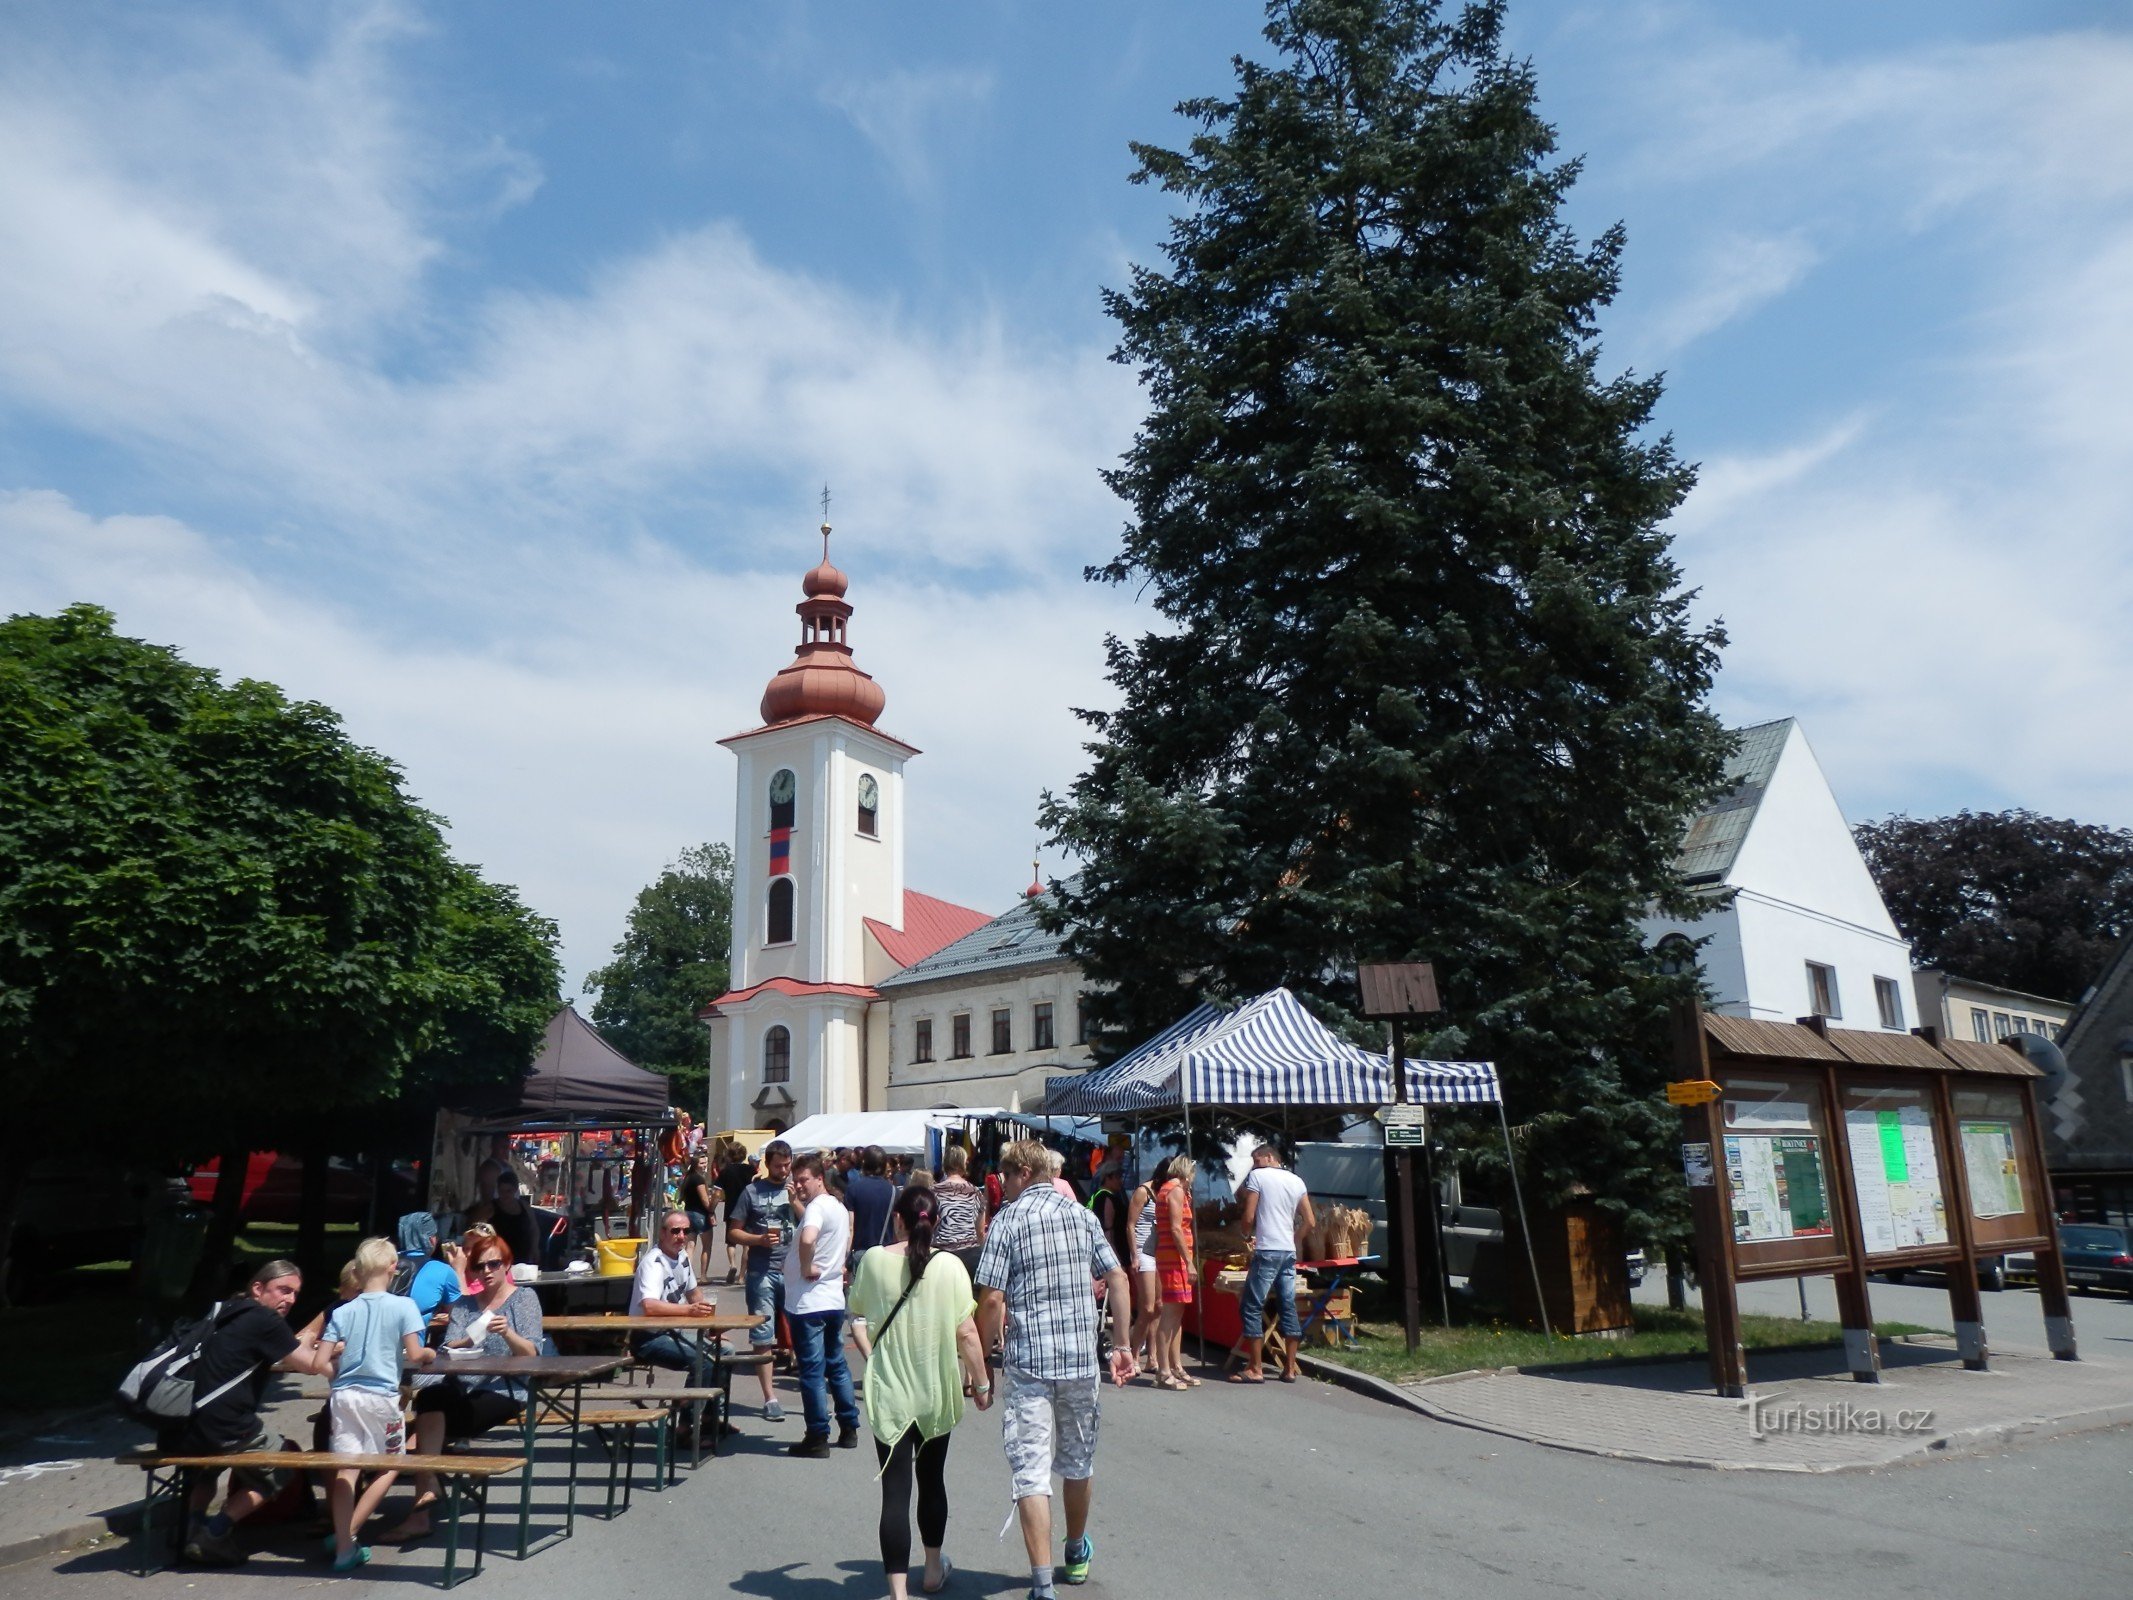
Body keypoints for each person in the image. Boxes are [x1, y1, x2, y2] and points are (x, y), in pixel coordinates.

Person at [974, 1140, 1135, 1600]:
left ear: (1023, 1172)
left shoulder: (1008, 1221)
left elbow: (991, 1298)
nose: (1001, 1185)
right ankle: (1076, 1550)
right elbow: (1118, 1278)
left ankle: (1042, 1584)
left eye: (1005, 1175)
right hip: (1081, 1362)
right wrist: (1121, 1344)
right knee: (1077, 1461)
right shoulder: (1082, 1215)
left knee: (1031, 1471)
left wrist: (983, 1359)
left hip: (1029, 1366)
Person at [850, 1186, 991, 1600]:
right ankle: (931, 1570)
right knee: (932, 1481)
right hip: (935, 1392)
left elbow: (858, 1314)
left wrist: (872, 1350)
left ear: (898, 1219)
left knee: (895, 1492)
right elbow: (966, 1333)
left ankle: (898, 1593)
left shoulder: (873, 1261)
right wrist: (981, 1384)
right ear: (937, 1223)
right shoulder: (950, 1266)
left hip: (891, 1391)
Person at [162, 1259, 332, 1565]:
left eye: (295, 1293)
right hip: (225, 1425)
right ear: (258, 1287)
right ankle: (213, 1534)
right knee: (283, 1467)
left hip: (184, 1421)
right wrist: (335, 1353)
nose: (290, 1299)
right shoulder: (264, 1320)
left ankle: (191, 1527)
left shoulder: (226, 1310)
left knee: (206, 1468)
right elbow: (309, 1364)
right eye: (283, 1290)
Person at [386, 1231, 543, 1543]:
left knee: (433, 1410)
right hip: (461, 1386)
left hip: (505, 1389)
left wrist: (508, 1333)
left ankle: (422, 1505)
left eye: (493, 1264)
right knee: (431, 1396)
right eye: (478, 1266)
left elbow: (532, 1354)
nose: (486, 1271)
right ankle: (426, 1494)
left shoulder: (524, 1299)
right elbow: (447, 1349)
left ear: (506, 1264)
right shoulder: (464, 1305)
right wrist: (470, 1338)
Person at [321, 1237, 432, 1571]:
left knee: (346, 1469)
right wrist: (429, 1353)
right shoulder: (404, 1307)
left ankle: (343, 1544)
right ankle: (349, 1534)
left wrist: (336, 1372)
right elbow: (414, 1354)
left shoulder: (342, 1310)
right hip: (381, 1396)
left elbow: (318, 1361)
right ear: (393, 1267)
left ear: (357, 1269)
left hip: (343, 1397)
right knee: (391, 1464)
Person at [782, 1152, 860, 1457]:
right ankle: (849, 1426)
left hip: (810, 1302)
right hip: (830, 1299)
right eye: (796, 1180)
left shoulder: (817, 1207)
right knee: (836, 1363)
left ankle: (817, 1435)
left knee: (813, 1369)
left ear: (819, 1178)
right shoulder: (837, 1207)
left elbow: (808, 1238)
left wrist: (805, 1266)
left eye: (804, 1180)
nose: (799, 1185)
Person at [1232, 1143, 1315, 1384]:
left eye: (1256, 1159)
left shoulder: (1258, 1177)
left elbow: (1249, 1215)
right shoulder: (1296, 1180)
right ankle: (1289, 1368)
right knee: (1287, 1305)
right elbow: (1309, 1220)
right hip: (1287, 1251)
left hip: (1267, 1248)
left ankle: (1255, 1368)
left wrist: (1246, 1234)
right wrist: (1295, 1238)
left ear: (1269, 1157)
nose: (1254, 1165)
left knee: (1251, 1305)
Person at [631, 1209, 720, 1425]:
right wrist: (690, 1311)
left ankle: (710, 1419)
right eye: (675, 1231)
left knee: (723, 1352)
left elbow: (693, 1294)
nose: (681, 1236)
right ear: (662, 1233)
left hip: (672, 1331)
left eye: (686, 1231)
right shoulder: (654, 1263)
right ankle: (686, 1425)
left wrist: (711, 1326)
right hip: (648, 1338)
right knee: (703, 1361)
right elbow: (649, 1306)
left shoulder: (681, 1258)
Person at [727, 1139, 795, 1421]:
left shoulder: (797, 1190)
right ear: (767, 1164)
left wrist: (797, 1201)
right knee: (763, 1334)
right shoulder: (752, 1192)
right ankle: (770, 1397)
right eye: (779, 1166)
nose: (784, 1171)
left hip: (792, 1271)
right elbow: (733, 1232)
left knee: (801, 1331)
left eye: (787, 1165)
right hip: (762, 1270)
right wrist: (757, 1240)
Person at [1152, 1157, 1199, 1390]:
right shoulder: (1175, 1190)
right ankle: (1163, 1370)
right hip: (1174, 1259)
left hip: (1173, 1256)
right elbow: (1175, 1228)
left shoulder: (1170, 1189)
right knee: (1170, 1314)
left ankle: (1174, 1366)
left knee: (1176, 1313)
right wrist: (1188, 1261)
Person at [1124, 1158, 1173, 1375]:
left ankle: (1152, 1357)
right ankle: (1134, 1354)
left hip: (1160, 1253)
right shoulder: (1144, 1191)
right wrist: (1134, 1255)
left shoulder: (1168, 1192)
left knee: (1160, 1306)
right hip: (1143, 1252)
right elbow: (1130, 1225)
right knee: (1147, 1307)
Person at [932, 1144, 988, 1279]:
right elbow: (980, 1231)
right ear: (964, 1163)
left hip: (941, 1254)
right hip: (970, 1254)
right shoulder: (975, 1192)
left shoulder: (933, 1191)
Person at [845, 1145, 898, 1266]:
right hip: (886, 1253)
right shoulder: (894, 1191)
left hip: (861, 1253)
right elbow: (897, 1228)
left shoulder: (853, 1189)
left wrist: (846, 1257)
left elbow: (850, 1227)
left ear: (863, 1162)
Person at [714, 1140, 755, 1285]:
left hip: (731, 1208)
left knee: (731, 1242)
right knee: (747, 1244)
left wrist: (711, 1209)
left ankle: (733, 1264)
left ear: (730, 1155)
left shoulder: (726, 1171)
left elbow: (717, 1193)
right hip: (749, 1209)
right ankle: (742, 1276)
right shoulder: (751, 1170)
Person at [407, 1234, 468, 1321]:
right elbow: (463, 1318)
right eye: (466, 1249)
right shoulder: (442, 1269)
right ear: (432, 1240)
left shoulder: (390, 1261)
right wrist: (459, 1271)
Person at [679, 1155, 717, 1277]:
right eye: (701, 1163)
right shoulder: (698, 1180)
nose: (704, 1165)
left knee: (690, 1246)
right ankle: (703, 1276)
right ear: (696, 1164)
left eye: (705, 1162)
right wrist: (714, 1201)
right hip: (700, 1215)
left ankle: (685, 1275)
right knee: (706, 1246)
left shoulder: (688, 1178)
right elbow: (706, 1203)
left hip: (688, 1213)